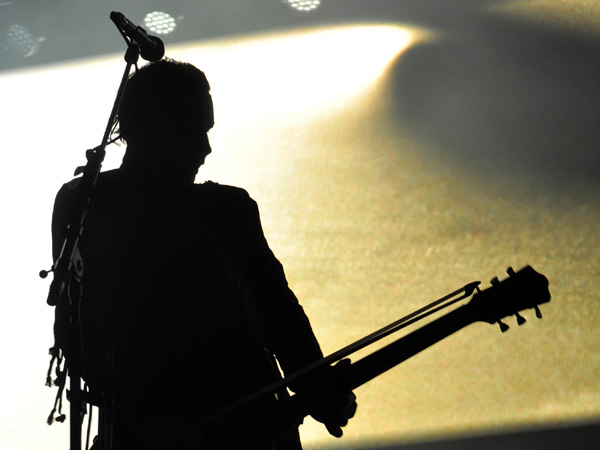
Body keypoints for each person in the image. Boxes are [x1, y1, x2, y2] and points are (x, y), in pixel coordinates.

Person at [50, 58, 356, 450]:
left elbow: (279, 314)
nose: (205, 148)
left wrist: (318, 385)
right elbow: (77, 328)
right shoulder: (88, 204)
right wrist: (142, 417)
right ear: (143, 130)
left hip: (256, 428)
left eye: (206, 131)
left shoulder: (230, 209)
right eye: (189, 131)